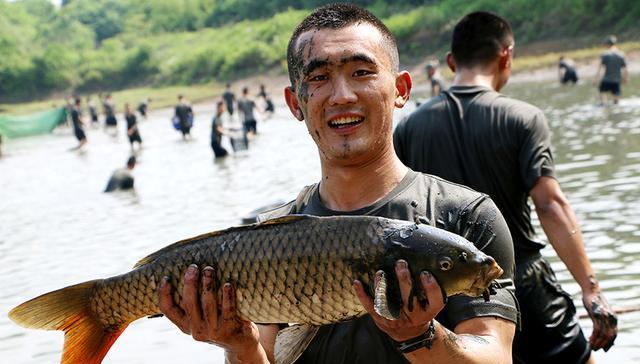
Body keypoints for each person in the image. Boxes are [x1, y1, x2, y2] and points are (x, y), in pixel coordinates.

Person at [158, 4, 518, 364]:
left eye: (361, 72)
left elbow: (496, 356)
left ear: (401, 89)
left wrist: (419, 336)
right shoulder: (268, 239)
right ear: (295, 103)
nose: (342, 95)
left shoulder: (466, 218)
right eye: (318, 79)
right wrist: (240, 346)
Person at [393, 11, 618, 364]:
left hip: (443, 292)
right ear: (507, 55)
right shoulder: (523, 118)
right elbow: (551, 206)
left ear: (451, 62)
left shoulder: (409, 128)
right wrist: (592, 291)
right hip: (523, 282)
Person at [594, 35, 628, 105]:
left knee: (602, 95)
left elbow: (599, 68)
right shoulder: (621, 54)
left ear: (608, 44)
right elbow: (625, 69)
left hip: (606, 79)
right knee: (616, 103)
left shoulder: (605, 54)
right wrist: (625, 79)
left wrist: (596, 79)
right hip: (616, 80)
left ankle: (604, 106)